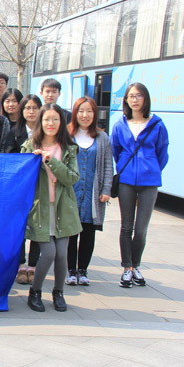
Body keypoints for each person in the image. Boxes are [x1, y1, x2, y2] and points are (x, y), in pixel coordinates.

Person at [21, 103, 81, 312]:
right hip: (40, 210)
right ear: (41, 121)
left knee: (62, 254)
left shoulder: (68, 148)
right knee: (48, 253)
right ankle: (35, 291)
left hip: (63, 209)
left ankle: (58, 292)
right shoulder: (30, 145)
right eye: (47, 119)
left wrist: (52, 161)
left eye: (56, 119)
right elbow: (21, 176)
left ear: (62, 122)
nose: (51, 123)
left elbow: (72, 177)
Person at [111, 82, 169, 288]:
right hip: (126, 181)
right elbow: (116, 151)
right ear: (126, 100)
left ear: (146, 99)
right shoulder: (120, 125)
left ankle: (136, 265)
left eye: (138, 96)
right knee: (126, 226)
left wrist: (150, 169)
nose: (134, 100)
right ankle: (127, 268)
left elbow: (162, 153)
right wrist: (125, 169)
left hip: (149, 182)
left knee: (141, 228)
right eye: (131, 96)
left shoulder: (157, 125)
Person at [65, 97, 113, 286]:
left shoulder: (102, 138)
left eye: (89, 111)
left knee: (88, 232)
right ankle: (70, 270)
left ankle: (83, 270)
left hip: (93, 193)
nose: (85, 115)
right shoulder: (67, 134)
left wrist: (106, 189)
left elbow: (108, 165)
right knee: (70, 232)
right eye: (81, 111)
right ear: (75, 113)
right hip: (71, 191)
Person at [14, 94, 42, 285]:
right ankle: (20, 264)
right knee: (20, 225)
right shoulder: (14, 131)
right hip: (18, 187)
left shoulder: (45, 132)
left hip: (40, 186)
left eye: (34, 108)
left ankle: (33, 265)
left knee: (38, 224)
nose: (31, 111)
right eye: (27, 108)